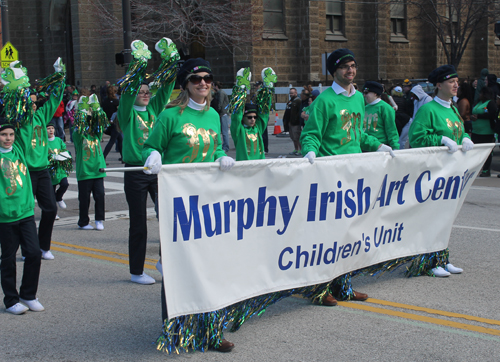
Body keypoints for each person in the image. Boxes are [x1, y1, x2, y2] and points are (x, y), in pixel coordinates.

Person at [142, 58, 236, 353]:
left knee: (211, 266)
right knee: (177, 266)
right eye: (197, 80)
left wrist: (221, 155)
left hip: (208, 201)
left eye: (208, 79)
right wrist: (153, 154)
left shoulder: (212, 115)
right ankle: (176, 330)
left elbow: (216, 146)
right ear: (186, 84)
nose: (203, 84)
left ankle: (211, 331)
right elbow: (151, 146)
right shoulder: (170, 116)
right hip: (177, 202)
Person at [300, 48, 395, 305]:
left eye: (352, 65)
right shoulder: (325, 100)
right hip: (330, 175)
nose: (350, 71)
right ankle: (320, 290)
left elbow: (357, 135)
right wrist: (310, 152)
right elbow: (311, 134)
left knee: (348, 235)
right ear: (334, 71)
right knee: (328, 236)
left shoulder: (357, 100)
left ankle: (344, 286)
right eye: (344, 67)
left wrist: (377, 145)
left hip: (355, 174)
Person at [116, 38, 179, 285]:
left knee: (168, 219)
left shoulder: (154, 110)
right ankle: (136, 271)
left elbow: (165, 89)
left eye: (147, 91)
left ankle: (165, 261)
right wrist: (138, 67)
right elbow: (128, 93)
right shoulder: (128, 113)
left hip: (157, 171)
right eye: (141, 91)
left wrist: (171, 63)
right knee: (139, 224)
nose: (144, 94)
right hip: (135, 172)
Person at [408, 64, 474, 277]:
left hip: (451, 173)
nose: (456, 84)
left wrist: (464, 137)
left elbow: (459, 131)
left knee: (445, 218)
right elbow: (416, 138)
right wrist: (440, 139)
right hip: (433, 173)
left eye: (456, 81)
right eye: (450, 81)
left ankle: (442, 258)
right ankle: (427, 262)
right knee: (430, 217)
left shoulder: (453, 108)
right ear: (438, 85)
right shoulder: (428, 109)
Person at [10, 59, 66, 261]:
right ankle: (26, 249)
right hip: (24, 172)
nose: (33, 105)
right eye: (29, 102)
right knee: (25, 213)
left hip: (43, 171)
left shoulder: (42, 116)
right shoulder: (17, 121)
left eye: (34, 102)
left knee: (50, 209)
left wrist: (60, 76)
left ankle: (43, 247)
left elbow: (54, 99)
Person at [0, 118, 44, 315]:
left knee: (34, 252)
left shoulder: (19, 150)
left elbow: (26, 126)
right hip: (5, 217)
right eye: (3, 135)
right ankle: (11, 300)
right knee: (8, 259)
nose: (8, 138)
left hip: (25, 213)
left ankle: (28, 294)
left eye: (10, 134)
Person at [72, 95, 107, 231]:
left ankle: (99, 219)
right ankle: (83, 221)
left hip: (98, 171)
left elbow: (100, 123)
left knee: (100, 196)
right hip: (85, 172)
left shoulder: (97, 135)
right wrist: (82, 111)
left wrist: (95, 109)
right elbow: (78, 127)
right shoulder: (79, 136)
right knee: (84, 199)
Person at [362, 81, 400, 150]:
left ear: (375, 93)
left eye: (366, 93)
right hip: (366, 147)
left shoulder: (385, 108)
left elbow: (391, 130)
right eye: (363, 93)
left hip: (381, 147)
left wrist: (395, 148)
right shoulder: (365, 108)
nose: (364, 95)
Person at [47, 121, 72, 220]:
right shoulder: (44, 142)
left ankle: (59, 197)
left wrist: (64, 155)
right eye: (48, 128)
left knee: (65, 184)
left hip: (60, 169)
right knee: (50, 193)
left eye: (52, 128)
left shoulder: (58, 140)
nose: (51, 130)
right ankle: (54, 213)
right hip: (50, 171)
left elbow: (64, 150)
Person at [471, 86, 497, 177]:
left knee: (486, 152)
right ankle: (476, 169)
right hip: (476, 131)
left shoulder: (490, 103)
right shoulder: (478, 103)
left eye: (481, 93)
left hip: (486, 132)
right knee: (475, 151)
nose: (480, 95)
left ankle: (486, 170)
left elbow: (492, 114)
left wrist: (479, 116)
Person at [102, 85, 122, 161]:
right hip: (114, 123)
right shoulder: (116, 101)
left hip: (107, 122)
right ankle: (103, 156)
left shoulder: (104, 101)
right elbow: (119, 112)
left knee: (120, 139)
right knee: (112, 141)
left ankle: (123, 157)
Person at [211, 81, 230, 152]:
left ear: (216, 86)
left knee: (224, 132)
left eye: (213, 86)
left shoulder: (221, 93)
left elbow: (220, 104)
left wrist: (217, 112)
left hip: (223, 114)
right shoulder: (218, 93)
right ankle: (224, 146)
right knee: (221, 131)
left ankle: (226, 147)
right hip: (222, 113)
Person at [288, 87, 302, 155]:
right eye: (290, 93)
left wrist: (297, 119)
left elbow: (299, 111)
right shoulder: (291, 101)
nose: (291, 94)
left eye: (292, 93)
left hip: (296, 123)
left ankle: (300, 150)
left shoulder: (298, 101)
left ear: (296, 93)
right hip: (291, 122)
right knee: (293, 137)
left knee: (297, 137)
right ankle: (296, 149)